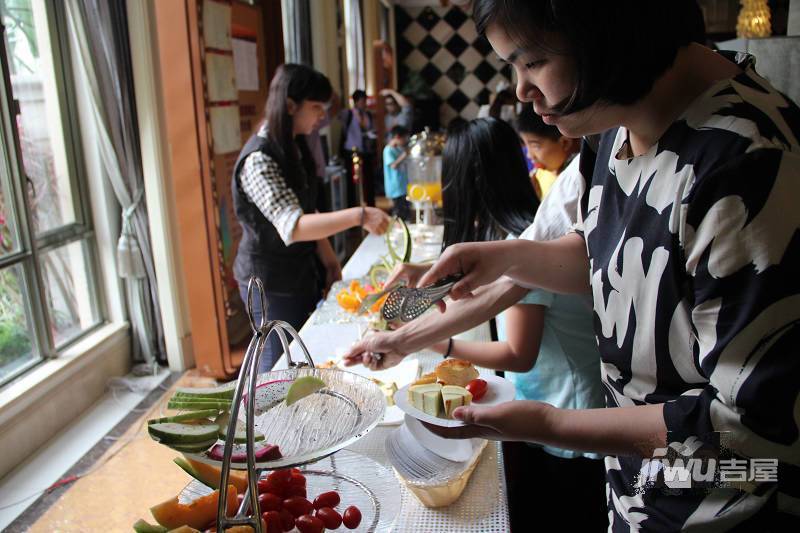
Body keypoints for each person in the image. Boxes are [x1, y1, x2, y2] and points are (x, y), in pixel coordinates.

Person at [378, 1, 800, 530]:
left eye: (530, 62)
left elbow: (753, 425)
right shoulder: (615, 125)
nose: (521, 92)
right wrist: (505, 257)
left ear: (603, 29)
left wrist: (553, 424)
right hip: (639, 493)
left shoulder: (746, 164)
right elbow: (619, 257)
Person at [346, 119, 608, 528]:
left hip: (570, 417)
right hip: (553, 408)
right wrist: (424, 284)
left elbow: (518, 352)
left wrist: (432, 344)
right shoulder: (525, 228)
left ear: (465, 181)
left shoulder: (524, 240)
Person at [232, 65, 390, 372]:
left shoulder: (296, 143)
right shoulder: (259, 159)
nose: (321, 116)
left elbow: (308, 211)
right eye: (316, 107)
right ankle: (264, 418)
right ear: (290, 105)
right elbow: (293, 225)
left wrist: (331, 262)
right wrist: (359, 215)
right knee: (276, 364)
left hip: (300, 272)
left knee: (303, 354)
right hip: (270, 281)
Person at [515, 106, 579, 199]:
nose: (529, 155)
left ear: (565, 143)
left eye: (535, 146)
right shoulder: (540, 175)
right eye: (525, 144)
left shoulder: (576, 181)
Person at [339, 89, 378, 206]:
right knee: (352, 181)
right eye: (361, 101)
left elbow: (371, 129)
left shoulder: (368, 115)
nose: (364, 103)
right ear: (356, 101)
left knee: (369, 180)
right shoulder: (349, 114)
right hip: (352, 150)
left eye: (365, 101)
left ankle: (370, 203)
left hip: (366, 151)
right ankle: (353, 205)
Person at [382, 125, 411, 220]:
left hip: (403, 186)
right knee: (398, 212)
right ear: (397, 137)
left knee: (406, 211)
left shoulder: (398, 148)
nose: (405, 141)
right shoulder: (388, 150)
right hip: (395, 187)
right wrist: (404, 155)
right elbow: (393, 165)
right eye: (404, 138)